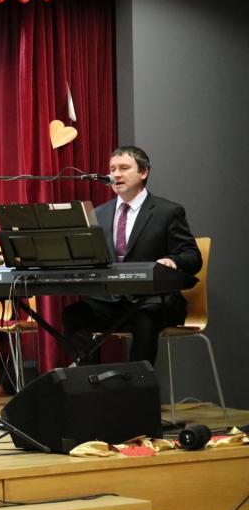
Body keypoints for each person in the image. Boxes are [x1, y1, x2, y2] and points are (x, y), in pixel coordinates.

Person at [62, 145, 202, 365]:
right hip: (111, 301)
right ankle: (89, 380)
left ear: (143, 172)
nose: (116, 174)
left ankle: (138, 384)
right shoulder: (98, 214)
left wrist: (172, 261)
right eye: (112, 169)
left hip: (154, 300)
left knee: (145, 316)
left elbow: (192, 257)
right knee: (74, 316)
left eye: (124, 168)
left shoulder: (167, 212)